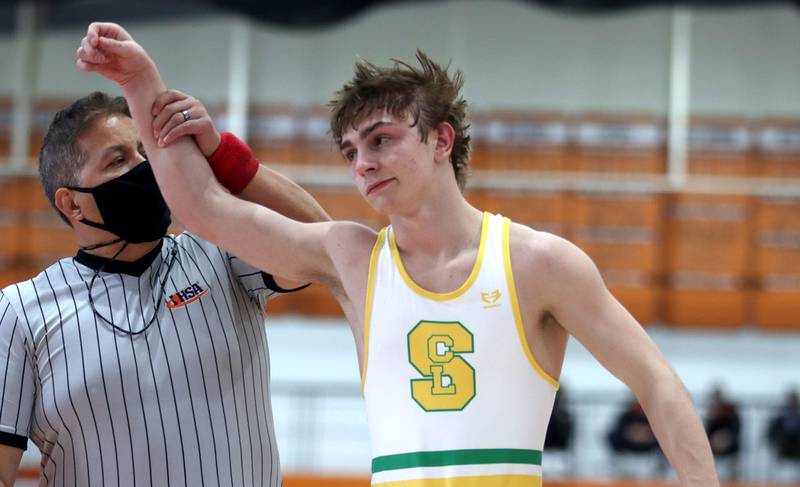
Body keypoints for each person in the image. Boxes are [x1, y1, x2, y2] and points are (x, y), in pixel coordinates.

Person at [76, 22, 719, 486]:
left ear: (442, 140)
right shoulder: (351, 258)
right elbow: (202, 210)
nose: (364, 164)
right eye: (351, 151)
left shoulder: (539, 262)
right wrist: (140, 82)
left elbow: (657, 383)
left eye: (381, 139)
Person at [0, 89, 328, 487]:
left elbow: (322, 243)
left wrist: (220, 153)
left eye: (146, 152)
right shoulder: (18, 312)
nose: (145, 167)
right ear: (71, 204)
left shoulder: (221, 251)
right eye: (119, 160)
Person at [768, 389, 800, 461]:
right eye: (791, 400)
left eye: (794, 400)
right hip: (783, 450)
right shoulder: (780, 417)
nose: (793, 402)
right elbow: (772, 433)